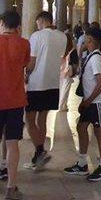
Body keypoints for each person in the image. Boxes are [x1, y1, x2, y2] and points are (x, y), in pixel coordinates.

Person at [0, 10, 29, 200]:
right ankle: (11, 186)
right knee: (12, 144)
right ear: (17, 26)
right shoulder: (24, 43)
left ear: (1, 24)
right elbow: (25, 65)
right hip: (16, 100)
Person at [63, 26, 101, 181]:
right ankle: (82, 162)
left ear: (90, 39)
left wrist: (88, 101)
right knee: (81, 127)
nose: (83, 40)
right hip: (89, 101)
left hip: (97, 102)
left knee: (99, 131)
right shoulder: (90, 55)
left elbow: (100, 83)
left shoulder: (96, 58)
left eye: (85, 38)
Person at [25, 11, 67, 170]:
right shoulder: (62, 36)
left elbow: (32, 62)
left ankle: (40, 151)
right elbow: (61, 58)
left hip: (37, 83)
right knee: (42, 120)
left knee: (29, 120)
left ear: (41, 21)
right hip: (52, 83)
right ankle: (38, 157)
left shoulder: (37, 36)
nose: (37, 26)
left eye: (37, 23)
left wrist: (25, 73)